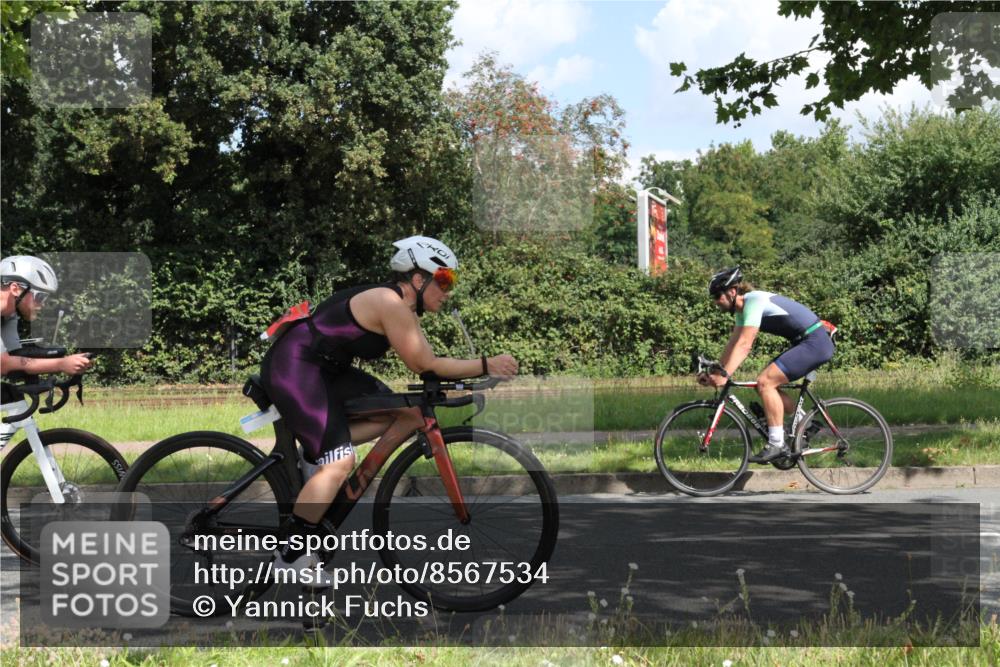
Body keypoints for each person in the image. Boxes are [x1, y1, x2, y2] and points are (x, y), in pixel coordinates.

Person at [260, 236, 518, 572]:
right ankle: (291, 554)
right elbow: (425, 364)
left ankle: (316, 456)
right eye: (443, 280)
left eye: (451, 282)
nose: (448, 290)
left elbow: (431, 362)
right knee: (340, 461)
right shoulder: (390, 304)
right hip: (296, 367)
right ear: (417, 279)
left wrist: (472, 373)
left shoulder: (403, 308)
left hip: (327, 369)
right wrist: (486, 364)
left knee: (405, 413)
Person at [702, 267, 834, 462]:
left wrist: (724, 375)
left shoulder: (753, 301)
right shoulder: (742, 310)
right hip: (807, 342)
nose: (715, 301)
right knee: (762, 386)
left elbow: (745, 345)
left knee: (765, 382)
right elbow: (733, 344)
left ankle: (776, 444)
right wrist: (716, 370)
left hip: (814, 342)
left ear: (731, 292)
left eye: (717, 296)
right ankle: (805, 425)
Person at [1, 255, 93, 380]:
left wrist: (56, 356)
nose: (43, 303)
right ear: (15, 289)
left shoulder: (9, 314)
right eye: (40, 297)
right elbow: (4, 364)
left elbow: (15, 356)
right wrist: (61, 364)